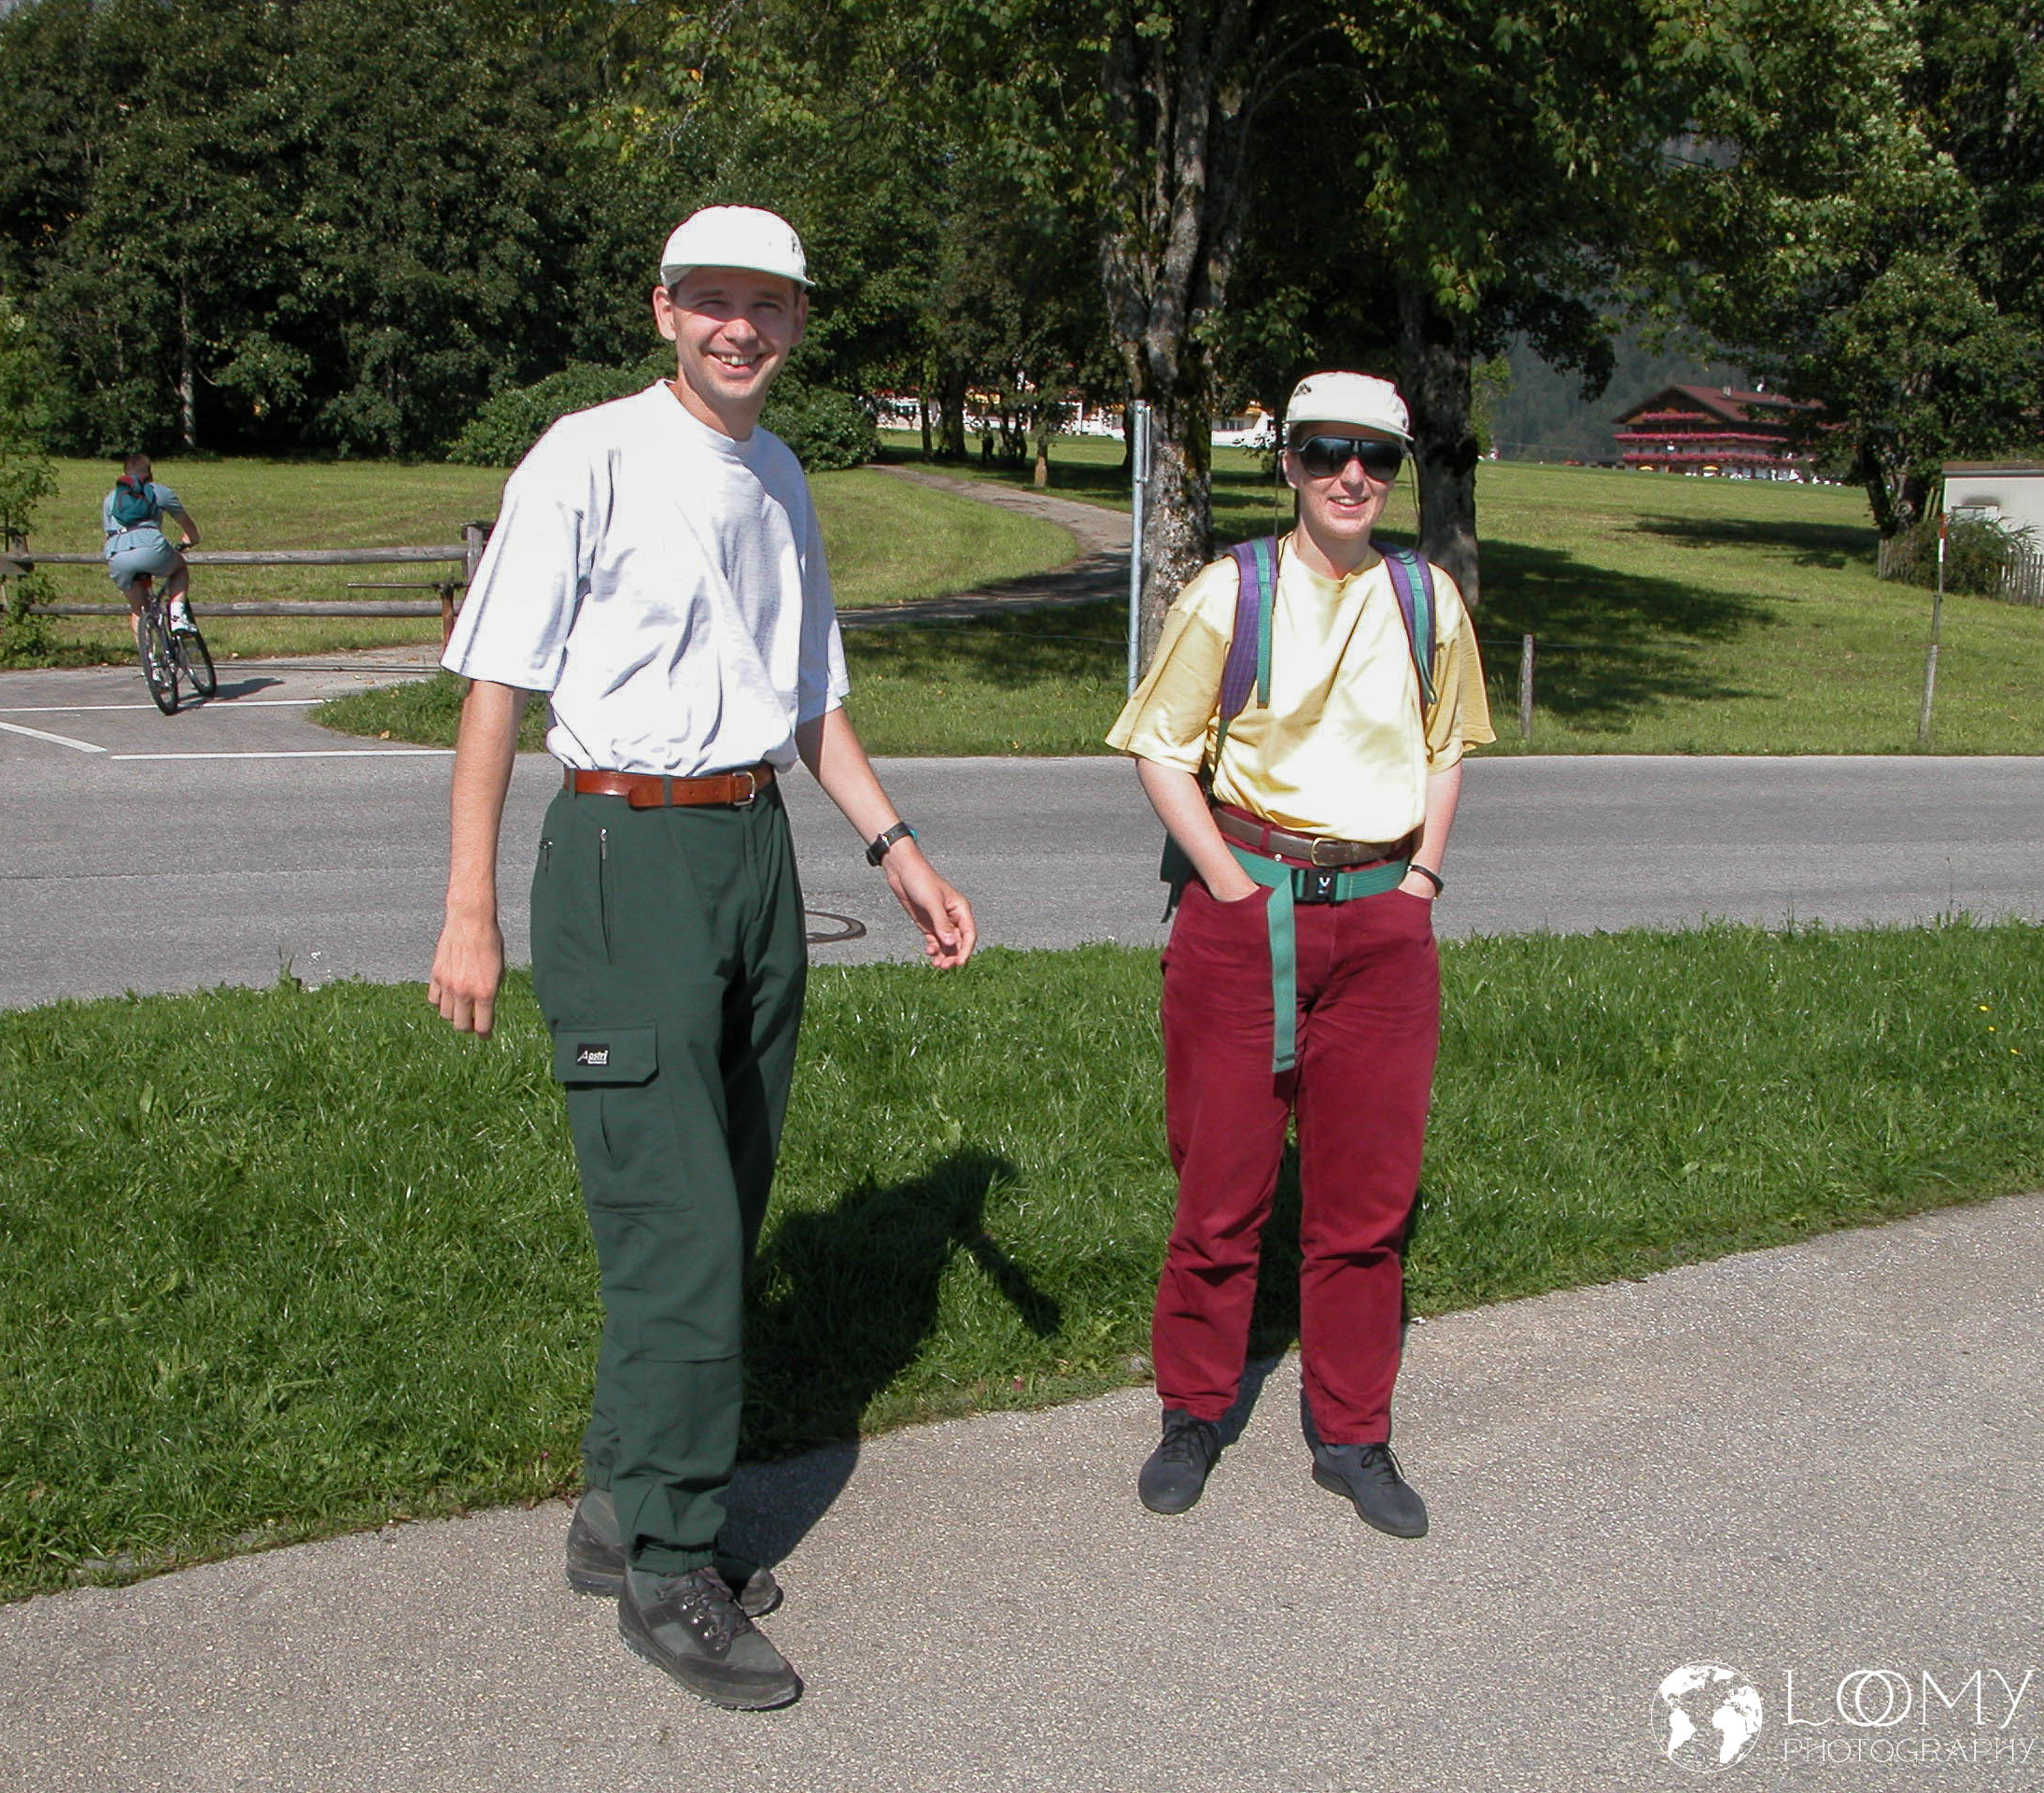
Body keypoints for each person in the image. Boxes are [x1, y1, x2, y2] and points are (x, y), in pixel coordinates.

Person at [427, 205, 977, 1712]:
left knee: (718, 1210)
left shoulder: (779, 476)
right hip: (625, 852)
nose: (743, 327)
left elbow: (808, 700)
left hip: (752, 849)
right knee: (676, 1232)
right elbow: (495, 687)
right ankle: (672, 1566)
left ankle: (621, 1505)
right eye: (713, 300)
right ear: (664, 309)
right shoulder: (588, 456)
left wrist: (899, 851)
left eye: (770, 304)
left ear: (797, 323)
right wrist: (469, 908)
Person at [1106, 371, 1494, 1537]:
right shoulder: (1232, 591)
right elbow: (1161, 749)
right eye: (1326, 451)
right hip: (1245, 912)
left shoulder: (1426, 599)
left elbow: (1446, 748)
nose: (1350, 476)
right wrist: (1227, 884)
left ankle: (1353, 1432)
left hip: (1382, 923)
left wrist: (1421, 882)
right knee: (1220, 1190)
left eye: (1376, 457)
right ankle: (1192, 1412)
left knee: (1365, 1204)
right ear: (1287, 462)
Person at [100, 452, 199, 635]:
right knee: (179, 568)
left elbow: (107, 534)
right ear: (149, 472)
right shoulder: (158, 491)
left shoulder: (111, 498)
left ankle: (146, 652)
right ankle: (177, 618)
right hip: (151, 547)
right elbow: (187, 524)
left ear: (125, 473)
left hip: (117, 554)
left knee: (138, 609)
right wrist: (191, 539)